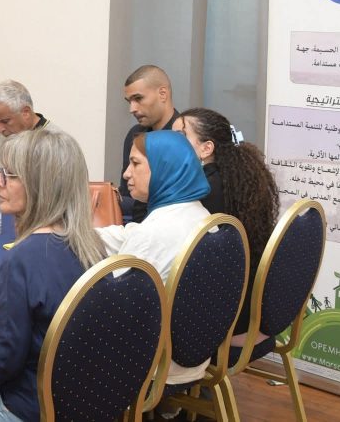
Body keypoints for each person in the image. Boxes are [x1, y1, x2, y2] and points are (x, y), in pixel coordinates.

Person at [0, 129, 106, 422]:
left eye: (10, 175)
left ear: (40, 185)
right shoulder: (92, 246)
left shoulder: (23, 259)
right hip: (88, 399)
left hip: (32, 407)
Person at [96, 130, 212, 386]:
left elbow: (113, 307)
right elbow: (132, 234)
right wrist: (77, 235)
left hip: (150, 366)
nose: (126, 174)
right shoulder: (197, 214)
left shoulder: (155, 234)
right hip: (192, 355)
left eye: (135, 163)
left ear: (164, 166)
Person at [174, 107, 279, 333]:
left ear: (206, 148)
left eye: (180, 137)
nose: (171, 144)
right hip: (245, 305)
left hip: (220, 319)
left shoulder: (203, 194)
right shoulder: (234, 181)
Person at [121, 65, 181, 223]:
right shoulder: (134, 135)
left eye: (138, 98)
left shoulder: (185, 136)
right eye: (129, 101)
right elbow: (127, 192)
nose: (132, 109)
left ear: (163, 94)